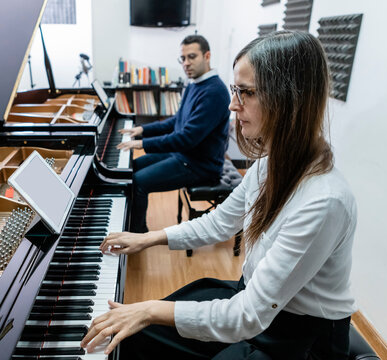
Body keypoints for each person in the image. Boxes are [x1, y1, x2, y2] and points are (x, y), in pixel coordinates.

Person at [80, 30, 358, 360]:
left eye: (247, 93)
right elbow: (219, 223)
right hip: (255, 302)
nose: (232, 104)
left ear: (289, 100)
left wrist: (147, 309)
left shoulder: (324, 201)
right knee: (138, 336)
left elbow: (247, 316)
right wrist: (148, 238)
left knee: (148, 321)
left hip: (298, 337)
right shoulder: (269, 166)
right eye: (234, 90)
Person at [117, 34, 231, 233]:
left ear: (207, 56)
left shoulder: (215, 92)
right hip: (183, 155)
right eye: (183, 58)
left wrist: (142, 143)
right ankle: (127, 221)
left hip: (200, 165)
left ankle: (137, 234)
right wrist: (142, 130)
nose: (186, 63)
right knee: (131, 168)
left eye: (192, 57)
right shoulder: (194, 83)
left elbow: (186, 138)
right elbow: (176, 121)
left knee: (140, 182)